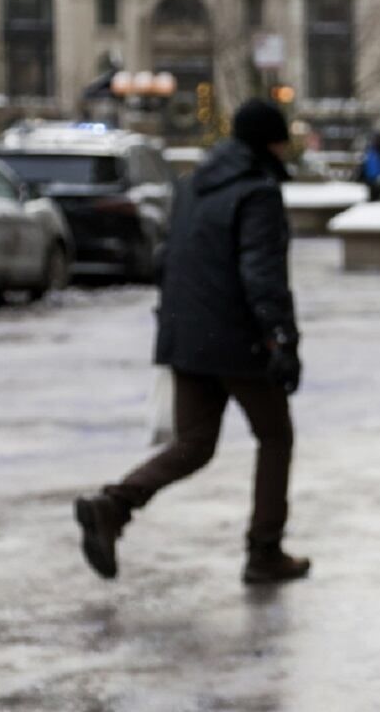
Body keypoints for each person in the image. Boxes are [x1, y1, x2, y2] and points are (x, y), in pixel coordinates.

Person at [73, 99, 309, 584]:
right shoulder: (257, 192)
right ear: (270, 142)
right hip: (238, 340)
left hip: (187, 333)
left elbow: (166, 259)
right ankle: (264, 551)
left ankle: (114, 505)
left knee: (195, 443)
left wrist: (177, 328)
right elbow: (261, 274)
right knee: (275, 436)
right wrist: (281, 339)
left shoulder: (194, 183)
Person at [357, 132, 380, 202]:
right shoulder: (368, 151)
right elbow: (363, 165)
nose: (376, 141)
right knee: (372, 199)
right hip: (370, 180)